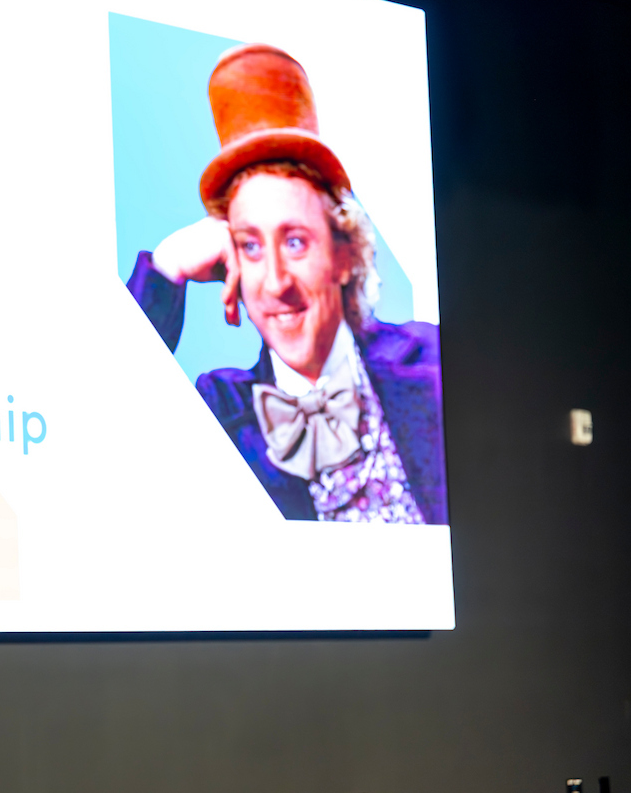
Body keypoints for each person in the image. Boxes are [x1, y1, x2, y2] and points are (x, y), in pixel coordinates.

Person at [126, 43, 446, 524]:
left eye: (295, 242)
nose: (276, 283)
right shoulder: (216, 411)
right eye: (251, 247)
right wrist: (167, 267)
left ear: (344, 254)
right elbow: (90, 438)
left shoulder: (435, 359)